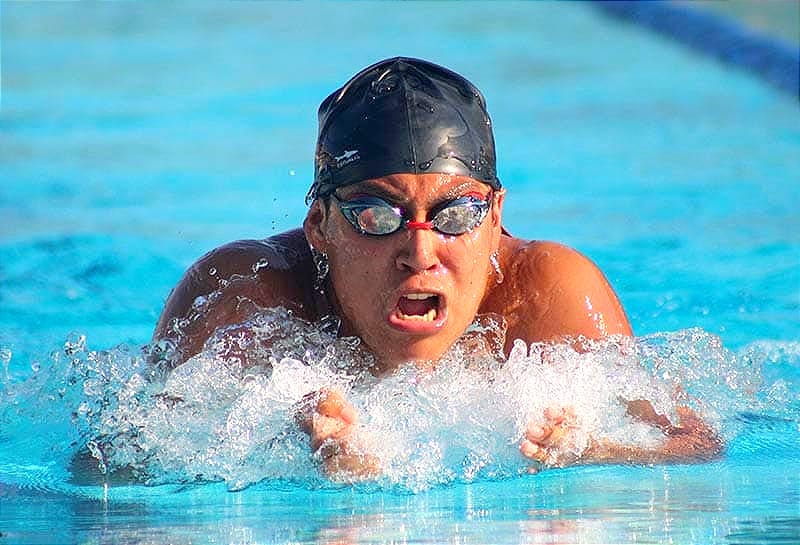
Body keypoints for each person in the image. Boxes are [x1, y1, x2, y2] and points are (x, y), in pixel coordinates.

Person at [153, 57, 722, 480]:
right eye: (377, 215)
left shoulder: (546, 292)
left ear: (496, 216)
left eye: (456, 214)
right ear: (320, 226)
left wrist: (596, 451)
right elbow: (114, 473)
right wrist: (278, 449)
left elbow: (695, 446)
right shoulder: (244, 298)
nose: (420, 253)